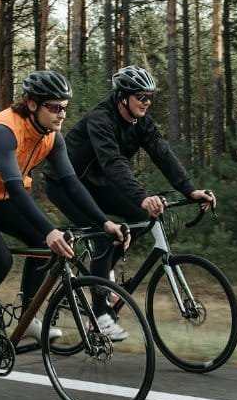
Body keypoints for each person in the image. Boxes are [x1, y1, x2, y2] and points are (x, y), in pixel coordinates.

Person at [0, 70, 130, 344]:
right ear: (31, 104)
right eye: (54, 107)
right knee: (0, 261)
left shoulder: (52, 136)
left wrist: (104, 222)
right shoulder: (4, 132)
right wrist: (50, 231)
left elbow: (72, 184)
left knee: (43, 244)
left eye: (65, 107)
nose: (61, 114)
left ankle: (28, 317)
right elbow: (16, 188)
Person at [44, 65, 216, 337]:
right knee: (103, 236)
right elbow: (113, 163)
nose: (147, 102)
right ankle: (99, 316)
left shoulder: (141, 122)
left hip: (96, 185)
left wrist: (190, 190)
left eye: (150, 97)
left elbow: (162, 153)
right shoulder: (101, 119)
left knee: (142, 217)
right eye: (141, 97)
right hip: (65, 184)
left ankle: (103, 276)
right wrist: (142, 196)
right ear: (123, 96)